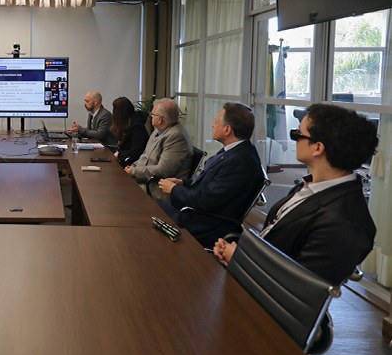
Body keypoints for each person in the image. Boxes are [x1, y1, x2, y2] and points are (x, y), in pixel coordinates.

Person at [214, 103, 377, 286]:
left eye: (297, 134)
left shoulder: (345, 223)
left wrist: (240, 258)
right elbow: (277, 238)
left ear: (317, 148)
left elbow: (295, 287)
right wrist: (240, 251)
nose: (294, 140)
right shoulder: (311, 186)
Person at [156, 102, 263, 247]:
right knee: (150, 210)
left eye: (216, 121)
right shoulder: (234, 151)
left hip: (207, 224)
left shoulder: (241, 161)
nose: (213, 125)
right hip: (199, 214)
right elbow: (211, 184)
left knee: (151, 216)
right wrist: (183, 183)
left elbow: (205, 201)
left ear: (227, 129)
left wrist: (174, 190)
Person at [124, 98, 192, 185]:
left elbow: (163, 171)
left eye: (152, 114)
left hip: (156, 187)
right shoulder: (159, 130)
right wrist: (133, 166)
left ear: (160, 119)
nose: (151, 116)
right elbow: (145, 155)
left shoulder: (176, 137)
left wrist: (134, 171)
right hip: (142, 179)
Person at [109, 96, 148, 166]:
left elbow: (136, 152)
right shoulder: (127, 123)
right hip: (125, 160)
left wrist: (119, 155)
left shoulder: (137, 127)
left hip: (134, 164)